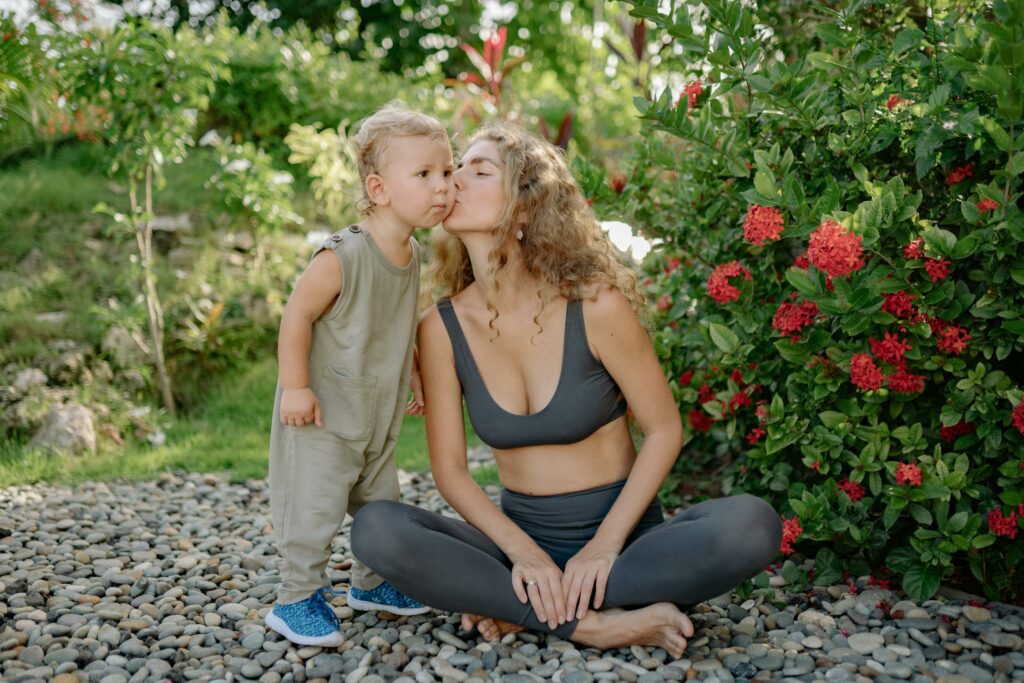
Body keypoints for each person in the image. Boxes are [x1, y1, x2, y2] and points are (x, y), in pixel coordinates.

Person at [351, 123, 782, 659]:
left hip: (625, 546)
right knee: (378, 529)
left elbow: (665, 430)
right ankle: (591, 623)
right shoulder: (440, 329)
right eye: (451, 168)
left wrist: (603, 548)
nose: (453, 180)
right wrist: (525, 556)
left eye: (477, 170)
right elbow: (452, 474)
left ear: (525, 208)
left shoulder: (596, 306)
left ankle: (525, 610)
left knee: (751, 525)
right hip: (519, 545)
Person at [265, 104, 454, 647]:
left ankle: (372, 584)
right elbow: (296, 315)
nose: (442, 186)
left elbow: (398, 322)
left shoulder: (411, 253)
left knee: (382, 506)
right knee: (314, 510)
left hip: (374, 414)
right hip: (324, 414)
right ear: (379, 189)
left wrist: (415, 373)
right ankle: (295, 596)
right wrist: (296, 386)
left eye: (446, 171)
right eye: (424, 174)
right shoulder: (344, 254)